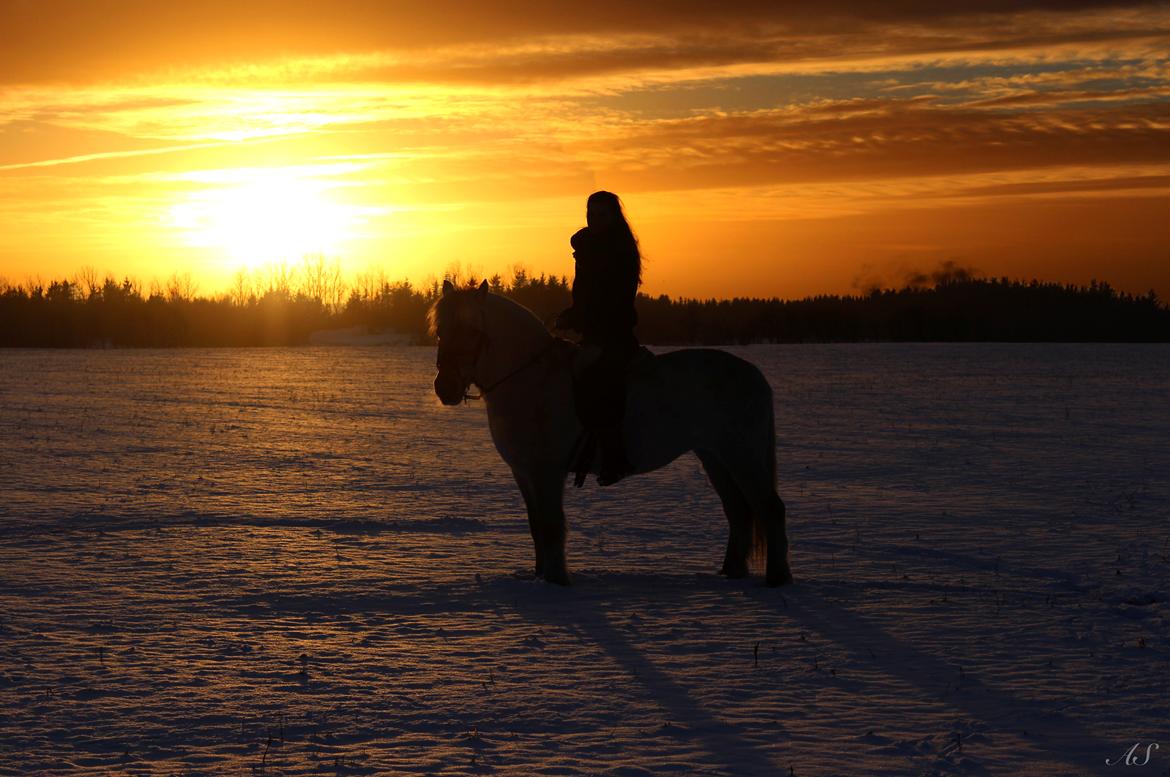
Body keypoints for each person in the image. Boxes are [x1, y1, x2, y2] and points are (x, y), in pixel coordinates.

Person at [555, 190, 642, 486]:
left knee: (595, 378)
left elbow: (615, 300)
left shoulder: (621, 251)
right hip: (592, 332)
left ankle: (614, 456)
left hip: (612, 335)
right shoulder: (589, 250)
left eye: (600, 215)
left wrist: (586, 323)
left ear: (613, 217)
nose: (594, 220)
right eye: (590, 214)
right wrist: (571, 315)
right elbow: (586, 297)